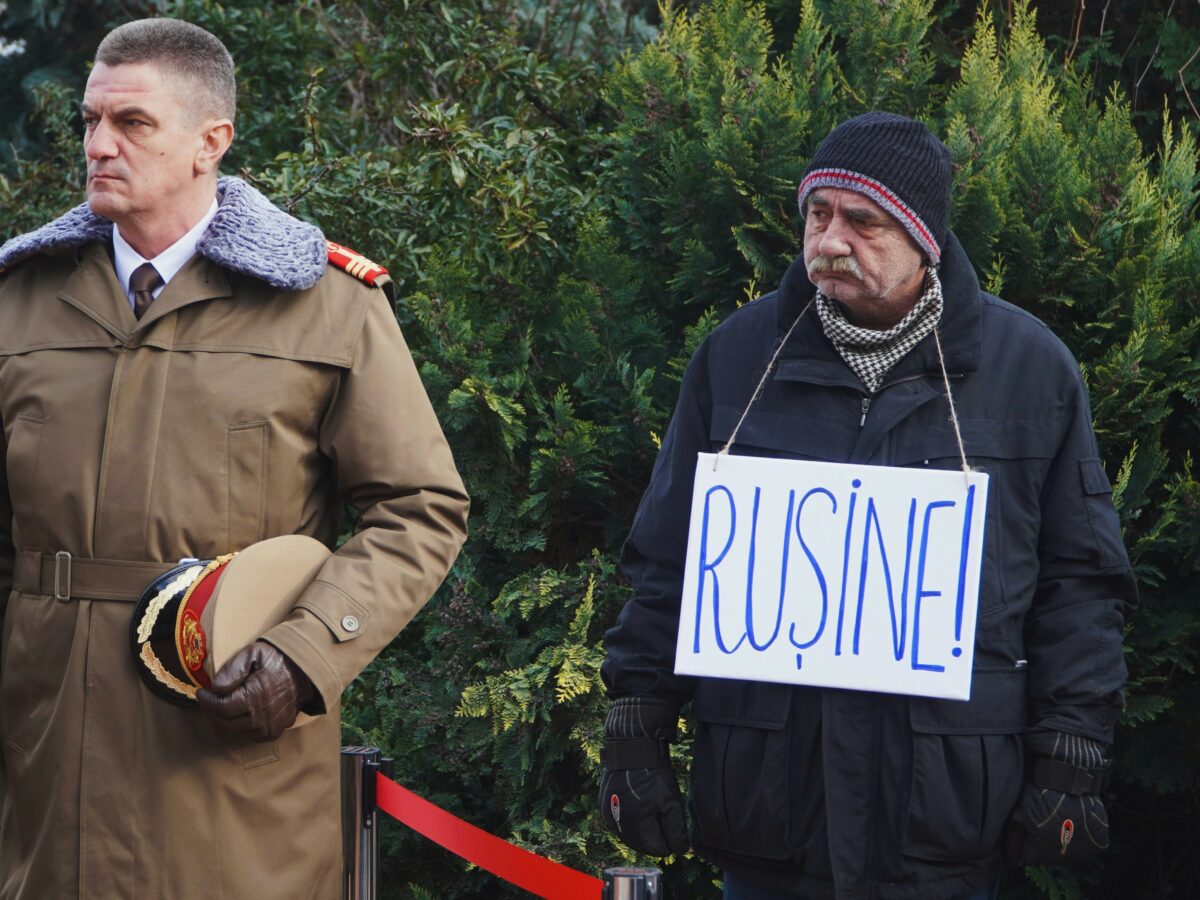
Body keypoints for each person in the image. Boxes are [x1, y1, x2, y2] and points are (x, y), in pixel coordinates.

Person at [598, 112, 1134, 900]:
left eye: (862, 221)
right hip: (768, 809)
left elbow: (1079, 585)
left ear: (925, 239)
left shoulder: (1031, 373)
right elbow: (667, 562)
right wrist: (633, 733)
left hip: (943, 816)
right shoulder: (737, 358)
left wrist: (1071, 755)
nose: (830, 241)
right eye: (818, 214)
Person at [0, 18, 469, 899]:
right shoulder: (18, 303)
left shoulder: (324, 306)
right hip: (49, 756)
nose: (98, 145)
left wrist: (305, 655)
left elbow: (420, 506)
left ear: (210, 142)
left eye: (131, 123)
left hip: (230, 753)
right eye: (89, 123)